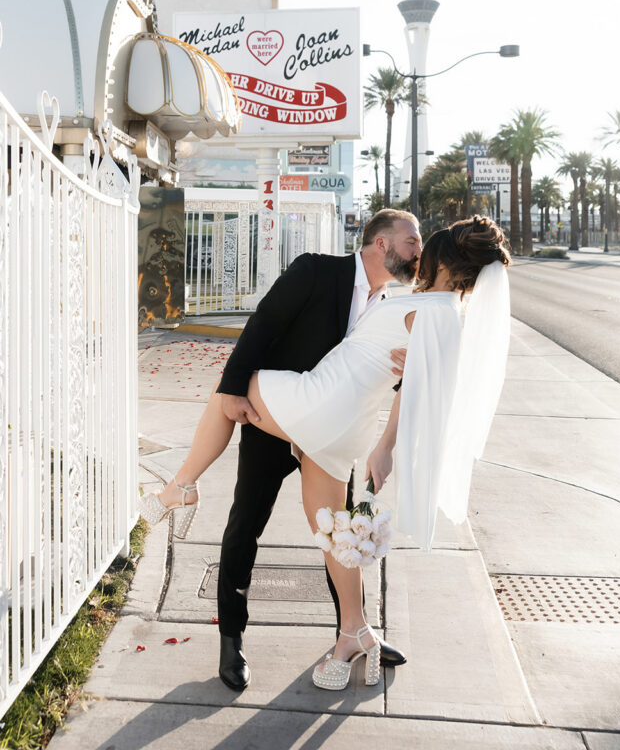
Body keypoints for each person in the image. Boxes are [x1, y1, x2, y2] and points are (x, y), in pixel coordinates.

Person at [142, 215, 510, 691]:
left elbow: (425, 387)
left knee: (228, 391)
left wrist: (394, 429)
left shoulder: (430, 310)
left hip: (315, 403)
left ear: (443, 260)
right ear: (383, 243)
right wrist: (386, 437)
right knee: (335, 532)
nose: (418, 252)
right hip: (343, 430)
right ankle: (354, 633)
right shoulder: (419, 303)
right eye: (412, 242)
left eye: (425, 246)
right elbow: (398, 371)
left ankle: (180, 486)